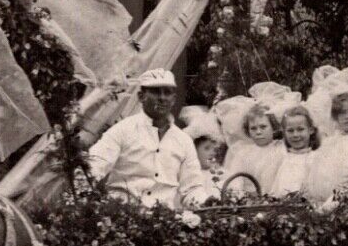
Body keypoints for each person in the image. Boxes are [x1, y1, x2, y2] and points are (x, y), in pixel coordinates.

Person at [86, 70, 212, 208]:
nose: (162, 98)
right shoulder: (122, 130)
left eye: (167, 92)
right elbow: (93, 166)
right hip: (123, 217)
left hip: (164, 221)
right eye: (156, 92)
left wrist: (207, 203)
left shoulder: (183, 140)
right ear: (141, 96)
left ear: (174, 99)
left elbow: (192, 188)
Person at [221, 105, 287, 197]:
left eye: (263, 127)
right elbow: (235, 180)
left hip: (276, 199)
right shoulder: (243, 153)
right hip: (250, 202)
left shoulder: (281, 149)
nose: (258, 132)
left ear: (273, 127)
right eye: (253, 128)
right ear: (248, 131)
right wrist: (240, 196)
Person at [268, 106, 321, 199]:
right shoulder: (282, 158)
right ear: (284, 133)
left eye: (300, 129)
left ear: (311, 130)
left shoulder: (315, 158)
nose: (295, 135)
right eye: (290, 131)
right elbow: (275, 189)